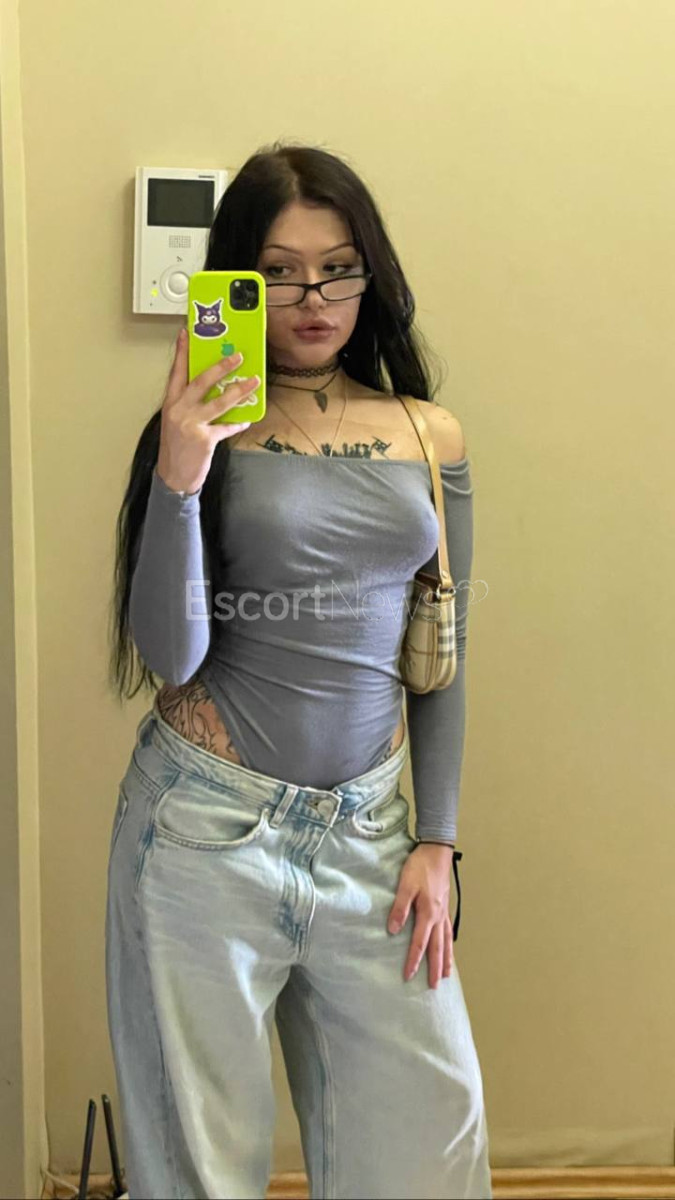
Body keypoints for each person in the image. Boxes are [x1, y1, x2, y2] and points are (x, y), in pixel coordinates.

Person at [105, 141, 492, 1200]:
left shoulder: (427, 433)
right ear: (236, 280)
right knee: (200, 1169)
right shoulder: (203, 434)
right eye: (276, 273)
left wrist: (438, 841)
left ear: (373, 273)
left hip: (372, 835)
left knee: (428, 1143)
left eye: (337, 267)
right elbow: (170, 655)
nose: (312, 298)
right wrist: (180, 473)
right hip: (205, 830)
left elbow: (443, 651)